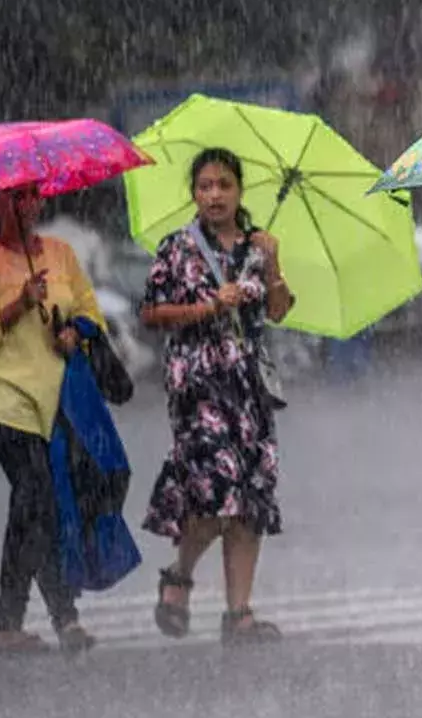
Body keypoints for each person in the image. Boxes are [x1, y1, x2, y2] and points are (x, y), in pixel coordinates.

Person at [140, 147, 295, 646]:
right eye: (205, 186)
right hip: (197, 384)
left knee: (249, 498)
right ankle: (179, 575)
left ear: (239, 191)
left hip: (248, 386)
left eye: (224, 185)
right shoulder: (177, 247)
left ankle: (239, 614)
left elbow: (278, 311)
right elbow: (151, 312)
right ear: (194, 193)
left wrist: (272, 264)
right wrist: (208, 306)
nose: (215, 195)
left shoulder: (257, 245)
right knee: (214, 490)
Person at [0, 182, 105, 656]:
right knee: (36, 495)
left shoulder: (60, 254)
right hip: (3, 399)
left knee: (42, 507)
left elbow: (90, 315)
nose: (23, 204)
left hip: (53, 399)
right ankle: (48, 619)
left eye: (31, 194)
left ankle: (28, 620)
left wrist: (73, 335)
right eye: (10, 197)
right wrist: (17, 304)